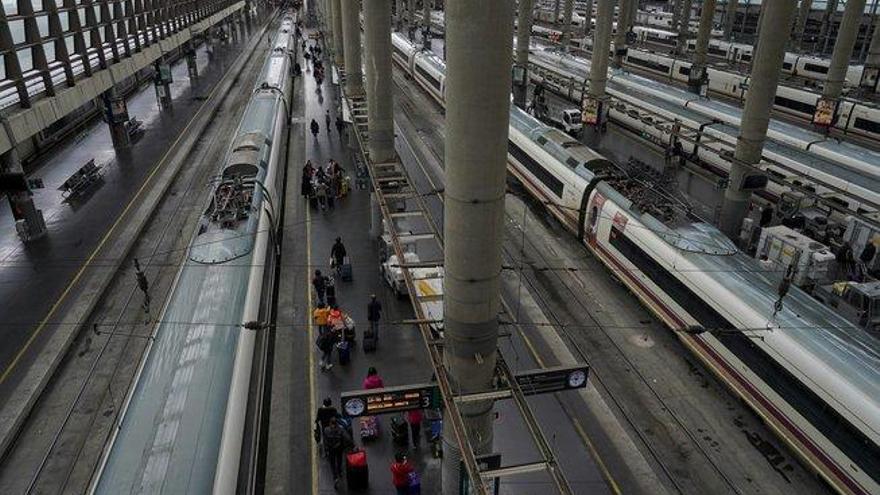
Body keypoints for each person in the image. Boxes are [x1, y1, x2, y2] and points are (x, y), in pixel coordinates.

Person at [322, 417, 351, 486]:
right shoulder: (340, 430)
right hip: (339, 448)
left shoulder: (326, 430)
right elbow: (348, 438)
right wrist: (352, 446)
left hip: (331, 449)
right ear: (337, 423)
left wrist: (326, 449)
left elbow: (325, 441)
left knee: (332, 463)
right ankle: (340, 471)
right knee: (339, 460)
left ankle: (335, 477)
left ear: (330, 423)